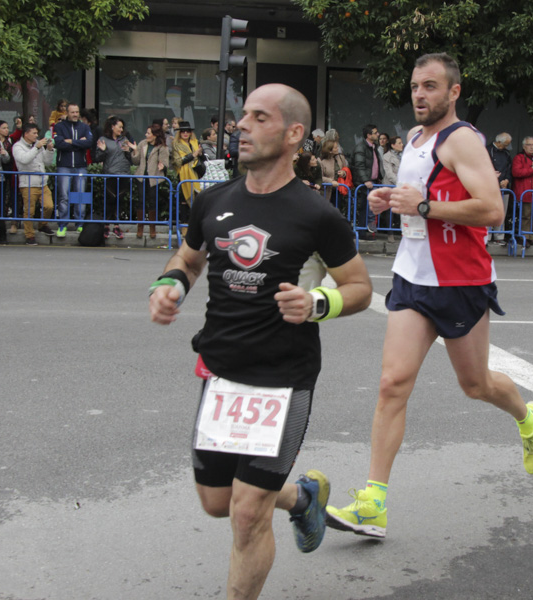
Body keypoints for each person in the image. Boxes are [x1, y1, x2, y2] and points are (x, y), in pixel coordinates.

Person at [148, 83, 372, 600]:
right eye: (242, 116)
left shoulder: (317, 214)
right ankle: (302, 498)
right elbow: (189, 258)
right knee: (215, 501)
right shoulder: (212, 199)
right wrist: (169, 286)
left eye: (259, 117)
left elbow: (360, 288)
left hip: (282, 379)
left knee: (247, 514)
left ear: (294, 134)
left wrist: (318, 304)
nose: (241, 126)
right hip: (222, 371)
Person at [326, 53, 533, 540]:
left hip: (460, 282)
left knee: (476, 385)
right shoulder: (413, 140)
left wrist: (424, 206)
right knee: (392, 383)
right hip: (412, 278)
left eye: (431, 86)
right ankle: (373, 503)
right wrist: (390, 197)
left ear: (453, 92)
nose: (420, 95)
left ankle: (527, 417)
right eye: (415, 86)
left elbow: (493, 210)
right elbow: (417, 201)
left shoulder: (462, 140)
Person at [52, 103, 93, 237]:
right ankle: (62, 224)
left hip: (81, 165)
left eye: (77, 112)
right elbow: (59, 144)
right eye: (72, 112)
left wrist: (71, 141)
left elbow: (89, 143)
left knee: (80, 195)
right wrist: (78, 143)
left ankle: (80, 223)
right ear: (67, 113)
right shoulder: (59, 126)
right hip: (64, 165)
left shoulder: (85, 127)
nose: (75, 114)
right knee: (63, 196)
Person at [12, 123, 56, 246]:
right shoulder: (18, 146)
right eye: (34, 133)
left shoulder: (38, 145)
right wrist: (36, 148)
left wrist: (49, 150)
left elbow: (47, 162)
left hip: (42, 182)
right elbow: (24, 159)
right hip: (28, 183)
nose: (36, 136)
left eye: (37, 133)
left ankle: (43, 225)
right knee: (29, 211)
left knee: (49, 206)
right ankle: (29, 235)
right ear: (26, 134)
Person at [95, 116, 138, 240]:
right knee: (110, 200)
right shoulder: (103, 140)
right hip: (110, 174)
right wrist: (103, 150)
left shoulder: (124, 139)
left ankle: (117, 226)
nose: (121, 129)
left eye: (122, 127)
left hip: (124, 174)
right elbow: (97, 158)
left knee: (120, 201)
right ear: (112, 126)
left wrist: (129, 151)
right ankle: (106, 226)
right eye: (119, 126)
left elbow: (131, 160)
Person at [133, 122, 169, 240]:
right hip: (141, 177)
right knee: (141, 201)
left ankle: (152, 228)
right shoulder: (142, 144)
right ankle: (140, 228)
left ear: (155, 135)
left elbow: (165, 162)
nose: (146, 135)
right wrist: (134, 151)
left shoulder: (162, 147)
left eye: (148, 133)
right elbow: (136, 161)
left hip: (154, 178)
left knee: (153, 202)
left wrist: (162, 166)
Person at [351, 123, 385, 235]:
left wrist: (379, 177)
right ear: (368, 135)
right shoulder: (361, 147)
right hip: (364, 182)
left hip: (372, 181)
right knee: (368, 204)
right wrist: (366, 180)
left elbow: (376, 164)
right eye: (375, 133)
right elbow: (359, 165)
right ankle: (368, 225)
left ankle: (364, 231)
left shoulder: (373, 147)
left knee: (366, 206)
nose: (378, 134)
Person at [171, 120, 202, 235]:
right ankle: (184, 225)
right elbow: (178, 161)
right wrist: (193, 155)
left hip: (196, 174)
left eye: (187, 131)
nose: (185, 133)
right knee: (184, 201)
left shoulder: (195, 142)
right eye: (182, 131)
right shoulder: (176, 144)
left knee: (197, 200)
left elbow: (201, 157)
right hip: (183, 175)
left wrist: (199, 153)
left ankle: (194, 226)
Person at [487, 132, 512, 245]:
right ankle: (486, 235)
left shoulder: (506, 154)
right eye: (505, 144)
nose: (507, 146)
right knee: (488, 210)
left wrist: (506, 180)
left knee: (502, 211)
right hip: (489, 186)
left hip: (503, 186)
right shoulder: (487, 150)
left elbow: (509, 168)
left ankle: (499, 236)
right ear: (499, 142)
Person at [318, 137, 348, 211]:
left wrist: (343, 173)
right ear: (330, 150)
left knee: (336, 211)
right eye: (335, 147)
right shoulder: (321, 161)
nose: (338, 148)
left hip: (339, 190)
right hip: (326, 191)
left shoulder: (340, 157)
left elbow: (345, 169)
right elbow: (319, 177)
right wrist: (331, 181)